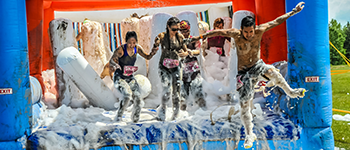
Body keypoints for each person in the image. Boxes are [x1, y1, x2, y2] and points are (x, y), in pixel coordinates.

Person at [190, 2, 306, 149]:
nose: (249, 35)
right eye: (246, 32)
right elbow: (215, 32)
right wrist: (200, 37)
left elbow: (277, 20)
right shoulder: (235, 34)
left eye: (251, 32)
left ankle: (291, 92)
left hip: (257, 65)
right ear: (241, 30)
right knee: (245, 106)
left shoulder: (259, 30)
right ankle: (250, 133)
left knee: (273, 72)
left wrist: (294, 11)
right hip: (243, 73)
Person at [109, 31, 158, 123]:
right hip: (119, 76)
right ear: (126, 41)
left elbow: (147, 57)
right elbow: (111, 61)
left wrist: (153, 52)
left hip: (129, 76)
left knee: (138, 98)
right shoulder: (121, 50)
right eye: (129, 43)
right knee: (127, 95)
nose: (132, 45)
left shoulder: (137, 48)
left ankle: (135, 119)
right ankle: (118, 117)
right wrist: (116, 65)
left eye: (134, 43)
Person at [152, 17, 192, 121]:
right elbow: (155, 45)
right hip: (164, 67)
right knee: (166, 89)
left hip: (176, 66)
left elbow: (186, 50)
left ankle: (176, 114)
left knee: (177, 91)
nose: (176, 31)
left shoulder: (179, 37)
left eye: (178, 29)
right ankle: (163, 111)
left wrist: (184, 53)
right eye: (174, 29)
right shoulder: (162, 36)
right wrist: (155, 44)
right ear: (168, 27)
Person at [179, 20, 206, 110]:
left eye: (186, 31)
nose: (185, 33)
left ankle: (203, 111)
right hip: (183, 71)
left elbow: (198, 50)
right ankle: (182, 112)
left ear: (189, 29)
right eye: (182, 31)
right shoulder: (178, 41)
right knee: (182, 95)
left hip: (194, 69)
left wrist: (191, 52)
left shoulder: (194, 39)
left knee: (198, 91)